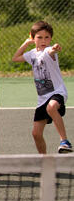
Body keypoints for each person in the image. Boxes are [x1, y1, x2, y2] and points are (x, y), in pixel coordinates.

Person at [12, 21, 72, 154]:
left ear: (50, 39)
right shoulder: (32, 54)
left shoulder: (49, 52)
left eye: (47, 37)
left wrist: (55, 48)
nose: (43, 40)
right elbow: (15, 58)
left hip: (57, 92)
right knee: (36, 133)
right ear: (33, 38)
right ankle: (44, 161)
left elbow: (52, 50)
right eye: (39, 37)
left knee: (51, 107)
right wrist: (27, 43)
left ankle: (64, 141)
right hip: (42, 98)